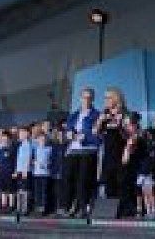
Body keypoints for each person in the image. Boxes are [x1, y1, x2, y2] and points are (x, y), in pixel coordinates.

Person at [63, 88, 101, 218]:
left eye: (89, 98)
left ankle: (82, 207)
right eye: (84, 97)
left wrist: (83, 137)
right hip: (73, 150)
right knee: (68, 179)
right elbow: (67, 130)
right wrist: (68, 135)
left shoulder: (96, 115)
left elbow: (97, 136)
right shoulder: (74, 115)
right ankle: (71, 205)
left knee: (83, 180)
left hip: (88, 150)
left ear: (93, 99)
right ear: (80, 99)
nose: (86, 100)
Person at [94, 87, 127, 199]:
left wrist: (127, 152)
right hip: (108, 153)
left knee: (121, 182)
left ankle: (124, 207)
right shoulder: (104, 114)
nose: (106, 100)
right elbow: (95, 132)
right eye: (105, 98)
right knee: (109, 180)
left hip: (121, 152)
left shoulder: (124, 113)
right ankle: (110, 206)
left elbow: (130, 134)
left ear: (116, 98)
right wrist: (100, 120)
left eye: (108, 97)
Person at [0, 131, 16, 212]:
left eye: (6, 138)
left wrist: (15, 172)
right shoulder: (1, 150)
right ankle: (4, 205)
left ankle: (11, 206)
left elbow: (15, 161)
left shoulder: (12, 149)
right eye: (3, 138)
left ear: (9, 139)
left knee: (10, 190)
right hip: (1, 172)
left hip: (10, 172)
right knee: (2, 190)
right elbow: (0, 162)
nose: (4, 140)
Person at [14, 127, 33, 215]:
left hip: (25, 171)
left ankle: (25, 209)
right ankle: (19, 208)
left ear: (26, 134)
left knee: (25, 190)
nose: (20, 135)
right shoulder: (21, 145)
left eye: (22, 133)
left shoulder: (28, 144)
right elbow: (19, 160)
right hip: (20, 171)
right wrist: (17, 171)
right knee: (20, 190)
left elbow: (28, 158)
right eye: (20, 133)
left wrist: (25, 170)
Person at [33, 132, 52, 216]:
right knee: (37, 192)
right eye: (40, 139)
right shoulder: (35, 149)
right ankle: (37, 207)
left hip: (45, 174)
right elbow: (32, 159)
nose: (42, 141)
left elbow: (51, 160)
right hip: (36, 173)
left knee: (44, 192)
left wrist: (47, 164)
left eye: (43, 139)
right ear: (37, 140)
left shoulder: (49, 149)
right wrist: (34, 162)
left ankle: (43, 208)